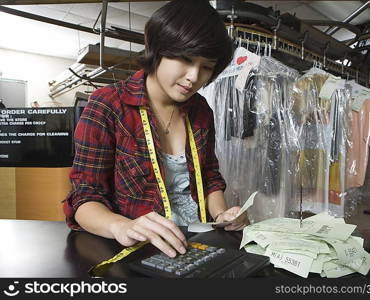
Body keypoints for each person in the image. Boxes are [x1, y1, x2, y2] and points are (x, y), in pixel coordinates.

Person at [64, 0, 249, 259]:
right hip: (140, 248)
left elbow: (209, 177)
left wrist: (222, 215)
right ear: (158, 48)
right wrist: (122, 226)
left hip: (199, 243)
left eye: (206, 67)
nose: (194, 77)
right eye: (185, 59)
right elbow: (84, 198)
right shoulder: (107, 106)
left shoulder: (200, 109)